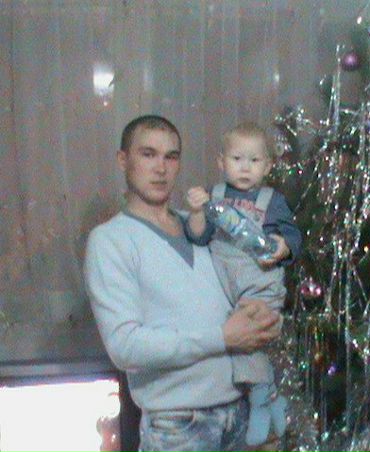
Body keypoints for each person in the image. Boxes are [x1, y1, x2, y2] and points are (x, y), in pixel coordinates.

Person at [84, 115, 281, 452]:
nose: (161, 168)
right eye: (148, 154)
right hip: (179, 426)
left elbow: (253, 281)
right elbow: (125, 346)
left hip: (241, 414)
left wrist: (264, 315)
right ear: (123, 160)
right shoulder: (110, 240)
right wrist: (222, 338)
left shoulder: (203, 226)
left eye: (171, 156)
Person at [185, 122, 302, 447]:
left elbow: (293, 237)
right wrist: (196, 211)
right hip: (225, 285)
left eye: (254, 160)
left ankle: (261, 398)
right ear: (221, 162)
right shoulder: (214, 196)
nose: (246, 167)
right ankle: (271, 397)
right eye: (237, 159)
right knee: (237, 341)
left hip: (258, 280)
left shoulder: (272, 200)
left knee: (250, 339)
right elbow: (198, 237)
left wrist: (283, 246)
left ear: (268, 166)